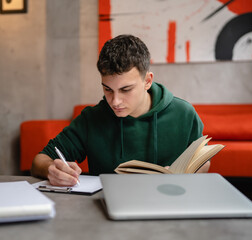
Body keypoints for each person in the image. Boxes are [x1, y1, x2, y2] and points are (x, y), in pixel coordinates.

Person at [31, 34, 209, 186]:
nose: (115, 101)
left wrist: (184, 173)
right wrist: (51, 170)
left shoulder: (184, 113)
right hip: (107, 210)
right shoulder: (91, 118)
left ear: (147, 81)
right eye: (107, 89)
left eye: (125, 90)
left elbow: (204, 162)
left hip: (170, 205)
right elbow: (40, 159)